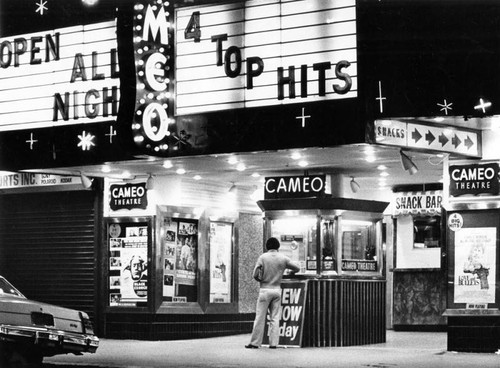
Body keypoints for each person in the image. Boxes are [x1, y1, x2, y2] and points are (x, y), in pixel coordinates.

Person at [245, 237, 300, 349]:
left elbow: (255, 274)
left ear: (267, 246)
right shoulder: (283, 258)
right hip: (277, 290)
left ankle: (255, 343)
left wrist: (259, 279)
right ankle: (273, 343)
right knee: (275, 317)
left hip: (265, 290)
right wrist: (289, 271)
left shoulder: (263, 257)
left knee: (260, 317)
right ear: (278, 247)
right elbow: (297, 268)